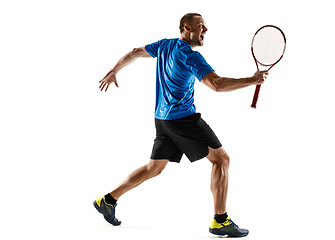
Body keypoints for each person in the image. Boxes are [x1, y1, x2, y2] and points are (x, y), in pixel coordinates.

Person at [93, 13, 267, 238]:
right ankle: (221, 221)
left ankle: (107, 200)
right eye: (201, 26)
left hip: (162, 120)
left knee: (153, 168)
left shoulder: (165, 46)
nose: (206, 30)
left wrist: (114, 70)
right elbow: (216, 84)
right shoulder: (190, 57)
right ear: (187, 27)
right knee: (221, 160)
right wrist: (251, 80)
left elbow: (135, 52)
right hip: (183, 120)